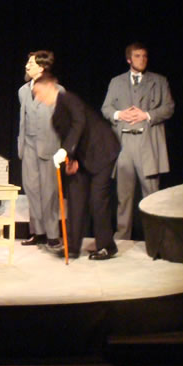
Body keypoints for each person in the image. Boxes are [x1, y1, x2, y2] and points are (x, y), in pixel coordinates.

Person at [33, 74, 120, 260]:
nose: (38, 98)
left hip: (102, 151)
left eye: (38, 92)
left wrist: (66, 151)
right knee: (75, 198)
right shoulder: (55, 117)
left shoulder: (68, 99)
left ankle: (107, 246)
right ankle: (72, 247)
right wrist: (70, 160)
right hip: (82, 157)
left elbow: (79, 123)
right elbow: (69, 137)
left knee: (98, 199)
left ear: (50, 86)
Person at [101, 42, 175, 240]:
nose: (142, 60)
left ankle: (156, 238)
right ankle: (122, 237)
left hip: (147, 143)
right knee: (124, 196)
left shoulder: (159, 81)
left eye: (144, 56)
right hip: (124, 143)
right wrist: (119, 114)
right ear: (129, 59)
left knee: (151, 194)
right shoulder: (116, 82)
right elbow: (106, 108)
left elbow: (169, 107)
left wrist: (147, 115)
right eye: (137, 56)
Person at [18, 51, 65, 250]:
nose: (27, 66)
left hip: (48, 147)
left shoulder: (57, 91)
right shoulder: (23, 90)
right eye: (27, 63)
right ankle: (38, 232)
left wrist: (63, 148)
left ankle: (53, 235)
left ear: (42, 67)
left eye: (31, 63)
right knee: (32, 190)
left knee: (49, 193)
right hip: (28, 146)